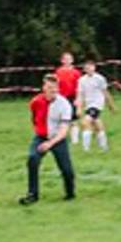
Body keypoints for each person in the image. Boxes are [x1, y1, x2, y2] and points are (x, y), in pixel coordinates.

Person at [21, 73, 76, 204]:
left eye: (55, 87)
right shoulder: (35, 102)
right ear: (44, 87)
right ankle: (32, 195)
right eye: (50, 87)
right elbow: (35, 120)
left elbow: (64, 131)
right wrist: (41, 135)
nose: (53, 90)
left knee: (67, 170)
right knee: (32, 159)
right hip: (41, 137)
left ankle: (70, 194)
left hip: (58, 139)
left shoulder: (64, 105)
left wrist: (50, 143)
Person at [76, 58, 116, 152]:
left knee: (86, 122)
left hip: (97, 105)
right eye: (86, 68)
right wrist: (79, 107)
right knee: (97, 124)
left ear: (94, 68)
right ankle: (104, 147)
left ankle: (86, 150)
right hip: (88, 105)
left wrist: (111, 105)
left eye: (90, 67)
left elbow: (105, 92)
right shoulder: (82, 80)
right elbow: (80, 94)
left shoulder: (100, 78)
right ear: (84, 69)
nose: (89, 69)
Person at [55, 51, 83, 144]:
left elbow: (79, 87)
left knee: (73, 119)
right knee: (61, 118)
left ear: (72, 60)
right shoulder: (58, 71)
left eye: (69, 59)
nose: (67, 61)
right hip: (61, 98)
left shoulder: (76, 72)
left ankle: (75, 139)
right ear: (62, 61)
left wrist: (78, 99)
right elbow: (56, 85)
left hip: (72, 97)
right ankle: (60, 137)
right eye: (65, 59)